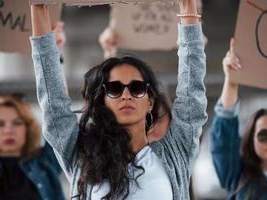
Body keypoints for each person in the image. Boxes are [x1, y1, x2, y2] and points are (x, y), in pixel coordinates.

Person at [29, 0, 207, 199]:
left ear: (150, 102)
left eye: (137, 88)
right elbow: (55, 106)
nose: (126, 94)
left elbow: (192, 93)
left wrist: (188, 7)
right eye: (114, 89)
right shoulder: (83, 154)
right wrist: (38, 7)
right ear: (103, 101)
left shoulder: (176, 152)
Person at [210, 39, 267, 199]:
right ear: (251, 140)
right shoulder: (236, 176)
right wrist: (231, 80)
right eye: (263, 135)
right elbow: (224, 138)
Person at [0, 95, 65, 200]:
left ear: (28, 128)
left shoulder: (46, 161)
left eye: (17, 123)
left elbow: (59, 118)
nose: (8, 131)